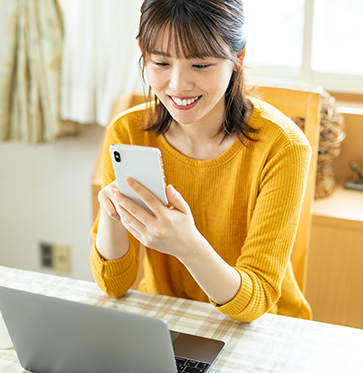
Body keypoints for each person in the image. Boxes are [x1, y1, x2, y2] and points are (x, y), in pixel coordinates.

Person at [90, 0, 312, 323]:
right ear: (142, 52)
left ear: (238, 58)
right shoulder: (127, 133)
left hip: (260, 327)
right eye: (161, 63)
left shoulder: (283, 147)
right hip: (167, 321)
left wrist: (189, 247)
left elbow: (254, 302)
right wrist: (111, 214)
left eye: (201, 65)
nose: (179, 85)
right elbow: (113, 285)